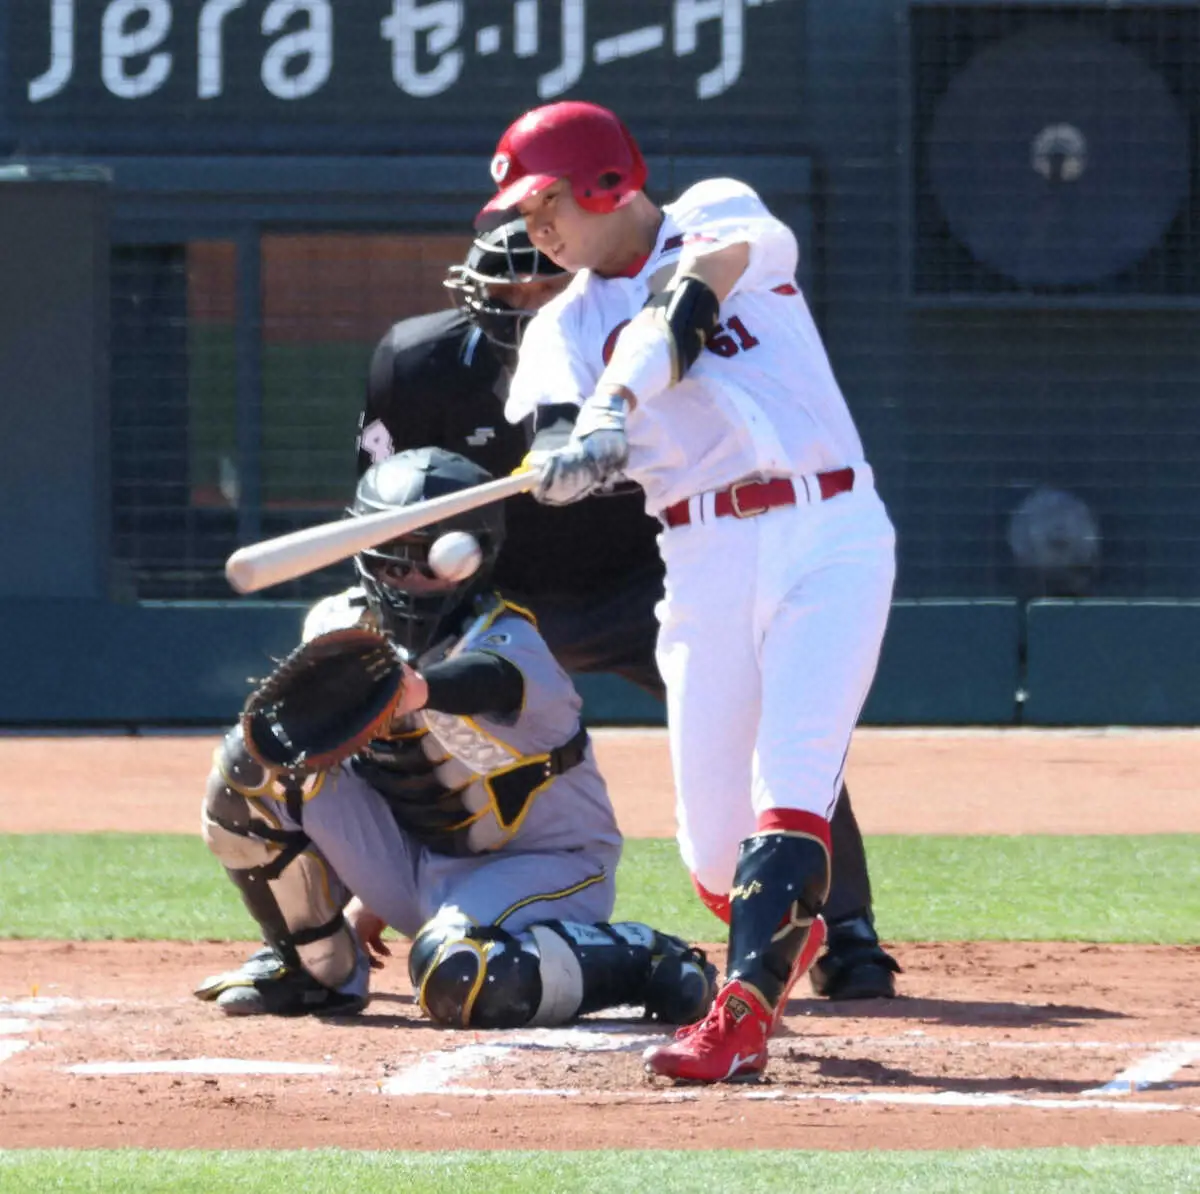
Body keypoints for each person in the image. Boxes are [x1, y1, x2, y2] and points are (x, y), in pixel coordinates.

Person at [358, 219, 901, 1005]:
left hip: (650, 582)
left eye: (545, 283)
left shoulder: (651, 336)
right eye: (507, 289)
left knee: (781, 734)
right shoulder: (418, 364)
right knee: (390, 697)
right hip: (502, 598)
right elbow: (384, 523)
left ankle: (843, 930)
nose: (528, 300)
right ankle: (347, 913)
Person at [475, 100, 898, 1082]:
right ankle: (767, 933)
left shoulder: (719, 213)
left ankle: (738, 1012)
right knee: (715, 851)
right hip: (702, 559)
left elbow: (685, 304)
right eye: (523, 213)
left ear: (607, 183)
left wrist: (615, 407)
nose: (534, 228)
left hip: (827, 529)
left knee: (791, 780)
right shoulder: (559, 332)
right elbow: (547, 430)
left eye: (547, 203)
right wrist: (562, 458)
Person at [194, 447, 716, 1031]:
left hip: (549, 867)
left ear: (477, 560)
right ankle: (315, 970)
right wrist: (365, 893)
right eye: (398, 564)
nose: (416, 582)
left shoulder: (511, 640)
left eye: (436, 565)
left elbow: (486, 681)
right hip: (417, 867)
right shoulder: (336, 628)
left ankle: (647, 957)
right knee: (249, 770)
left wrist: (413, 690)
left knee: (460, 978)